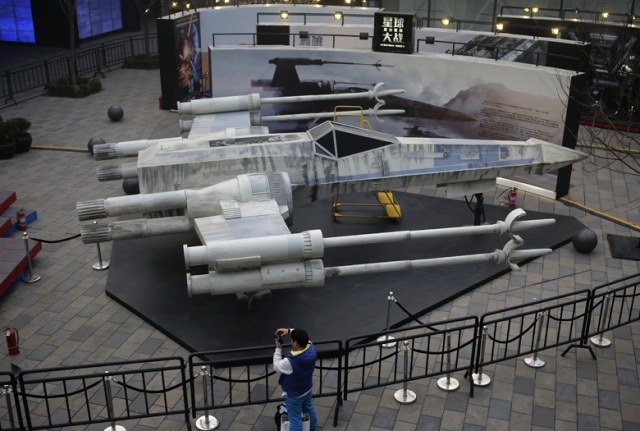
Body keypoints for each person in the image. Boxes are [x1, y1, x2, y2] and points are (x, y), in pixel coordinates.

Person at [273, 327, 318, 431]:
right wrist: (289, 331)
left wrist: (278, 348)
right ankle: (312, 427)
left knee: (295, 419)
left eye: (292, 340)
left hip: (294, 395)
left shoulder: (290, 361)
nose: (291, 341)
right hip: (307, 388)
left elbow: (276, 366)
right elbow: (303, 336)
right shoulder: (311, 347)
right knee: (309, 408)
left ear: (296, 343)